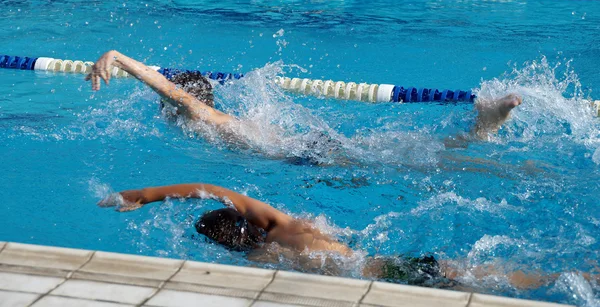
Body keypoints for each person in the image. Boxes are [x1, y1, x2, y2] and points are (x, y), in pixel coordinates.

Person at [98, 181, 574, 290]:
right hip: (385, 267)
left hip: (371, 283)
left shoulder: (258, 262)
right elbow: (212, 188)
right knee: (488, 278)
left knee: (481, 282)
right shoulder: (286, 225)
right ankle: (571, 276)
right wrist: (145, 194)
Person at [86, 50, 523, 163]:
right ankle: (481, 128)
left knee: (411, 161)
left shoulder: (203, 117)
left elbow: (170, 91)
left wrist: (118, 58)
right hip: (304, 148)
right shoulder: (219, 117)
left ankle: (481, 130)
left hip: (305, 156)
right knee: (403, 151)